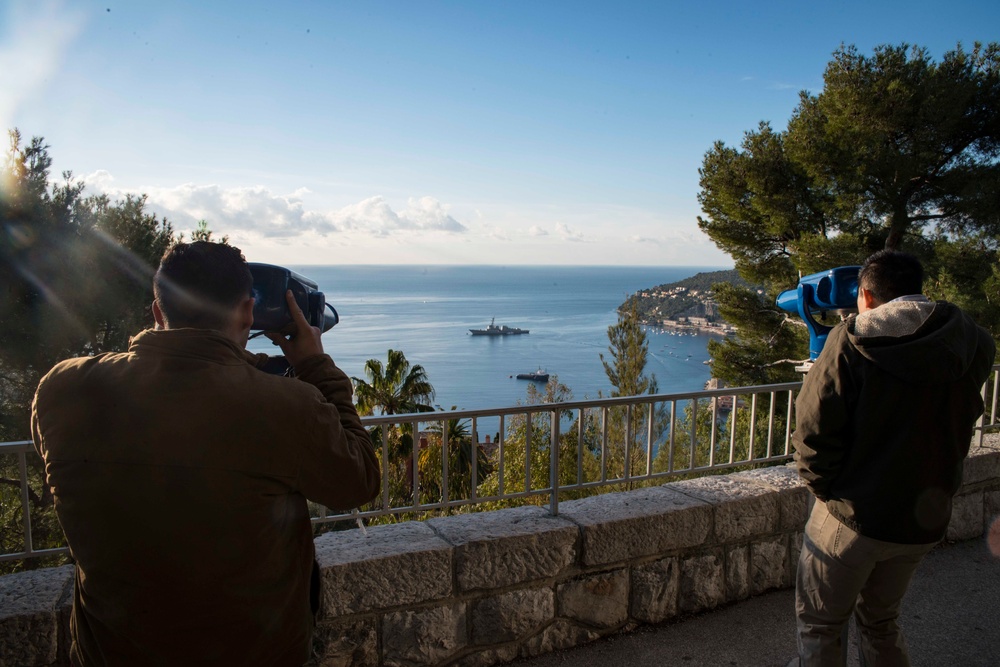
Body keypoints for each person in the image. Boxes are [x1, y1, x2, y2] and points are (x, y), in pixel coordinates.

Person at [31, 241, 381, 666]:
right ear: (248, 312)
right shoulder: (285, 407)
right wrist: (314, 365)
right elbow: (358, 481)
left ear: (159, 312)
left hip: (110, 652)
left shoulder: (62, 389)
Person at [788, 250, 995, 666]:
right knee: (881, 622)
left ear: (865, 295)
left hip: (853, 515)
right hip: (922, 518)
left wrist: (828, 492)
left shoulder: (850, 340)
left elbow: (812, 432)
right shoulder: (973, 341)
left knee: (822, 624)